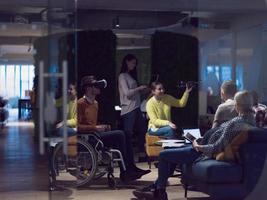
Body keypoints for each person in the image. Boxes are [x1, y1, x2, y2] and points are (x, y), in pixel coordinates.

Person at [133, 90, 255, 200]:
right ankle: (155, 189)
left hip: (201, 151)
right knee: (174, 153)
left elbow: (217, 146)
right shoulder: (250, 121)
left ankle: (158, 192)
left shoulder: (235, 123)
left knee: (164, 155)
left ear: (237, 105)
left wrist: (199, 147)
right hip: (203, 144)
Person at [77, 75, 150, 183]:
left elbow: (92, 122)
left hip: (95, 135)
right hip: (88, 138)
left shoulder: (95, 103)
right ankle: (125, 171)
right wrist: (95, 127)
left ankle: (129, 167)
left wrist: (103, 126)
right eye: (96, 86)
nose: (99, 88)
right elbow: (78, 126)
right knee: (120, 134)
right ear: (88, 88)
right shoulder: (80, 103)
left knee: (125, 134)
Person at [118, 54, 148, 152]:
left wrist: (144, 90)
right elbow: (127, 93)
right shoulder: (122, 76)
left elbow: (134, 93)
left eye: (135, 64)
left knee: (142, 130)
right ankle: (127, 155)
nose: (134, 65)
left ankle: (141, 153)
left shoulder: (130, 76)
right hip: (128, 108)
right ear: (127, 61)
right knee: (128, 134)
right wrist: (139, 88)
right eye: (133, 63)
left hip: (136, 107)